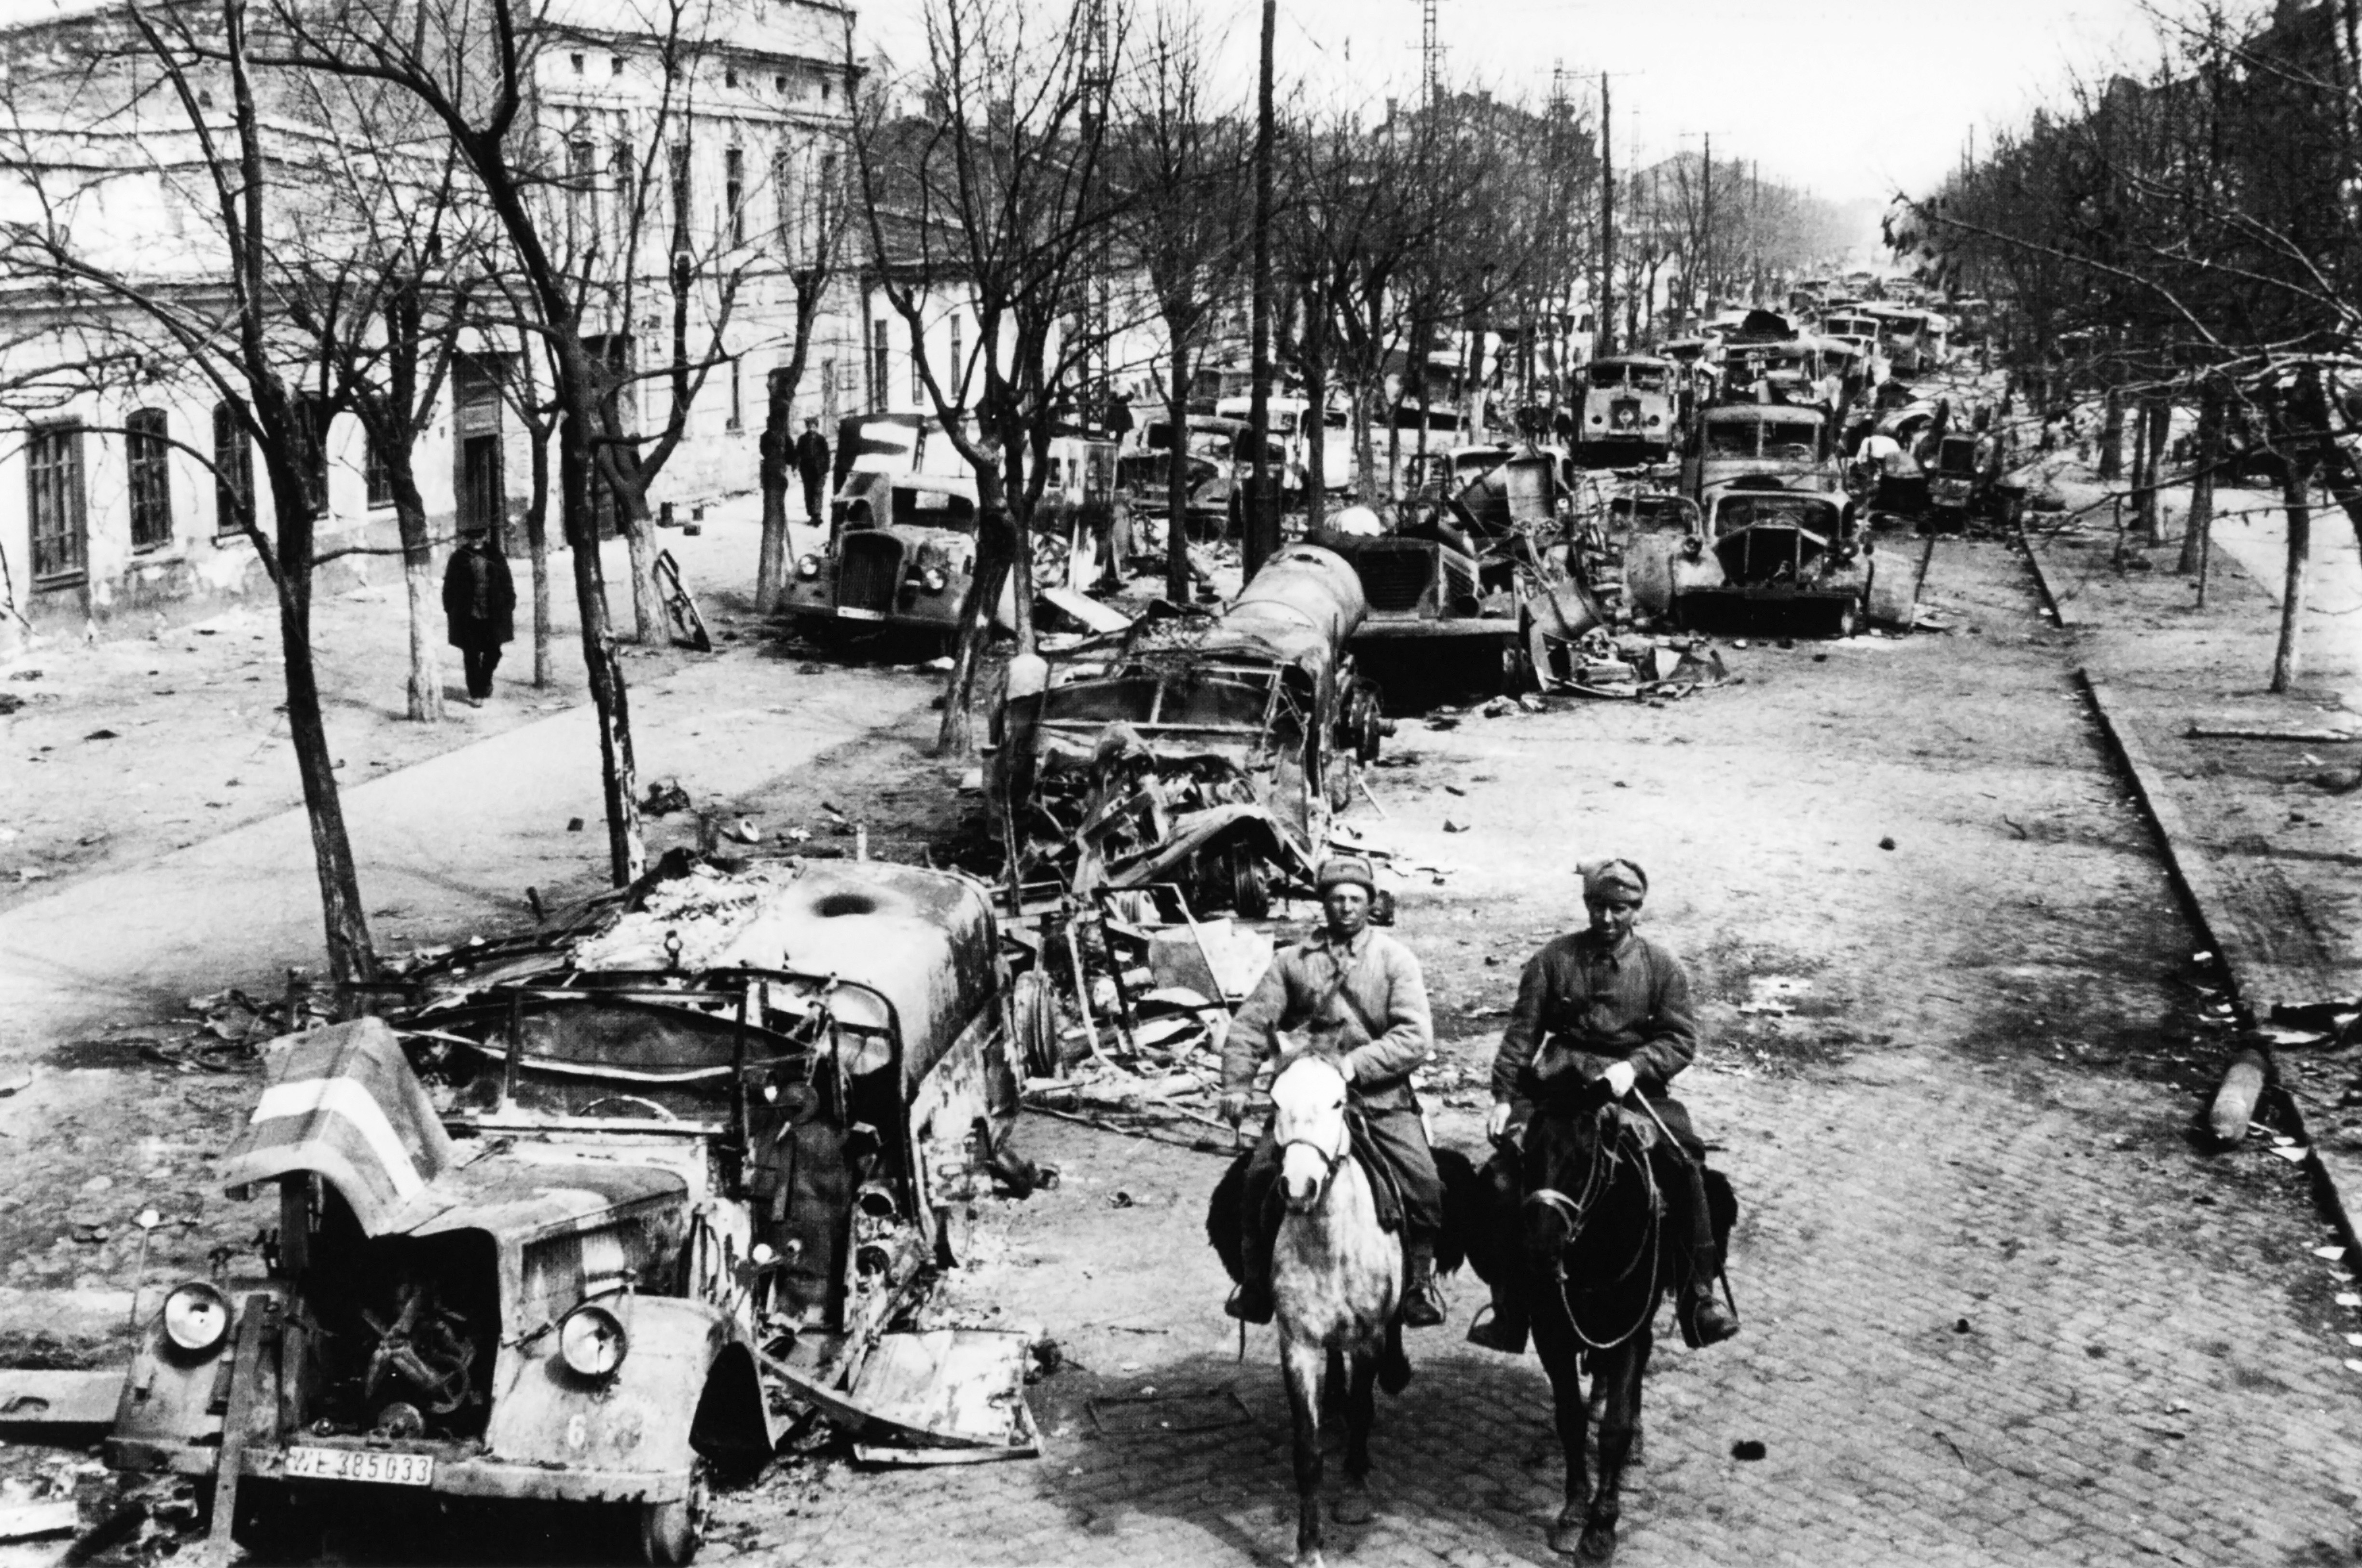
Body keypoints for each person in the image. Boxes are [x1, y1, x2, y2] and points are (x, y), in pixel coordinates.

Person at [1468, 858, 1740, 1353]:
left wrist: (1635, 1066)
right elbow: (1522, 1033)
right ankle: (1507, 1306)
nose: (1608, 918)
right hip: (1557, 1087)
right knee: (1501, 1179)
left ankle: (1699, 1297)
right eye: (1599, 906)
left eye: (1620, 908)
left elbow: (1680, 1040)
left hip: (1634, 1091)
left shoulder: (1661, 966)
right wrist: (1504, 1098)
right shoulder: (1552, 959)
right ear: (1586, 904)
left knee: (1684, 1166)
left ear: (1637, 908)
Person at [1220, 856, 1448, 1329]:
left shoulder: (1392, 960)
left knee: (1423, 1180)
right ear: (1322, 902)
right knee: (1257, 1178)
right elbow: (1250, 1023)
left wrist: (1354, 1064)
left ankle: (1418, 1284)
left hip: (1378, 1096)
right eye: (1336, 898)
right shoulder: (1291, 961)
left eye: (1355, 899)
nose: (1345, 908)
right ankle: (1256, 1284)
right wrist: (1237, 1083)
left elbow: (1414, 1035)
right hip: (1307, 1096)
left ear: (1370, 903)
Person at [440, 526, 515, 708]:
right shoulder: (459, 558)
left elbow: (506, 580)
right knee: (471, 654)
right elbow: (449, 584)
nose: (476, 540)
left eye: (480, 536)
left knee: (494, 652)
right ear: (468, 538)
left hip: (492, 613)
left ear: (485, 536)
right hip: (468, 614)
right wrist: (450, 607)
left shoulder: (495, 556)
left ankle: (485, 679)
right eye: (472, 537)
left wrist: (509, 602)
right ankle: (476, 692)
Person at [793, 417, 831, 527]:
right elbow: (797, 454)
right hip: (807, 471)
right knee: (809, 492)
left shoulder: (821, 440)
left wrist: (826, 469)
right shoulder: (802, 439)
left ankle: (818, 515)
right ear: (807, 428)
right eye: (810, 427)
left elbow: (827, 455)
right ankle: (812, 515)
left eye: (814, 427)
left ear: (817, 427)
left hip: (820, 471)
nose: (812, 429)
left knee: (818, 491)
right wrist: (795, 467)